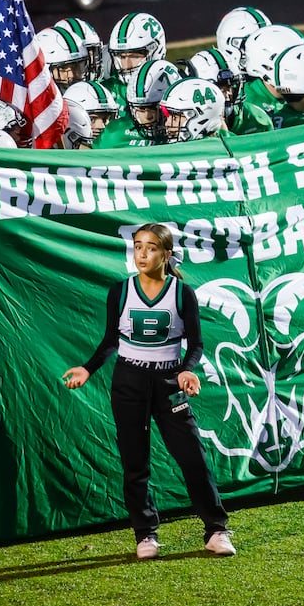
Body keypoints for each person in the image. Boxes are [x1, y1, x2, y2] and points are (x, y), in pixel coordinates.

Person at [62, 223, 234, 559]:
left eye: (151, 247)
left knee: (192, 457)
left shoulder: (182, 293)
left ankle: (216, 529)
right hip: (129, 381)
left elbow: (196, 344)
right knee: (134, 461)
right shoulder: (120, 290)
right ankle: (146, 535)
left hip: (169, 381)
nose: (142, 254)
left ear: (166, 254)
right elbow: (111, 340)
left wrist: (187, 370)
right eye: (138, 246)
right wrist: (88, 368)